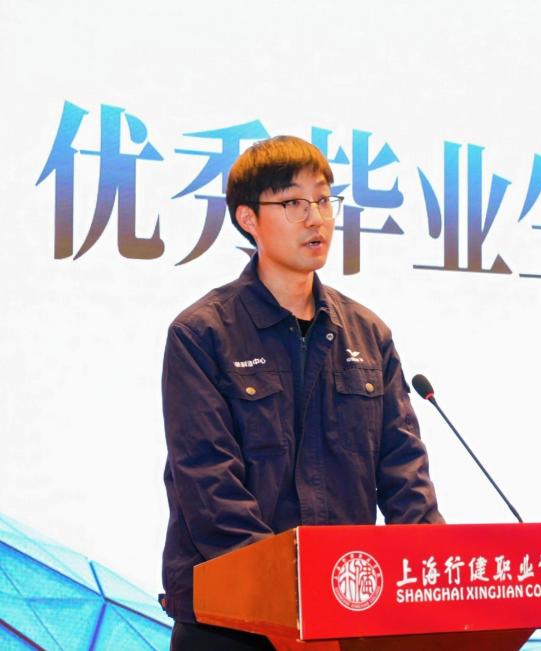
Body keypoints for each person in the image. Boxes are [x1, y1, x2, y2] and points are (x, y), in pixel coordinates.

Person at [160, 135, 443, 650]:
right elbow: (209, 483)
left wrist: (432, 577)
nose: (317, 218)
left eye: (324, 200)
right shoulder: (202, 335)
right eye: (294, 203)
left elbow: (405, 474)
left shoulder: (368, 335)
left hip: (345, 613)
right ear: (248, 218)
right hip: (233, 622)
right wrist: (285, 596)